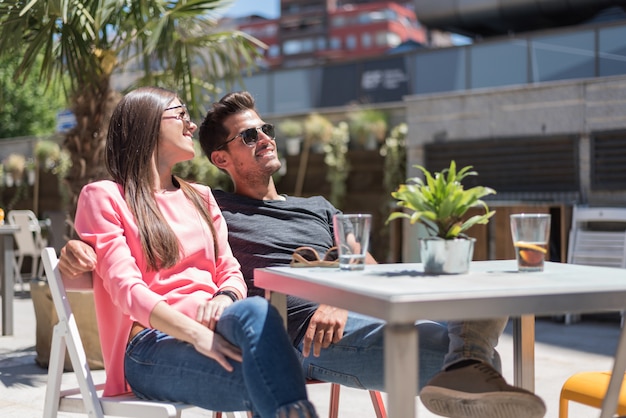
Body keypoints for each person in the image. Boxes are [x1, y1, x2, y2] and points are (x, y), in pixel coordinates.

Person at [61, 91, 546, 418]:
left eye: (265, 128)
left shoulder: (257, 203)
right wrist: (79, 256)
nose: (265, 137)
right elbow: (121, 280)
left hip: (276, 323)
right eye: (249, 136)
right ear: (222, 160)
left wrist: (340, 294)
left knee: (486, 289)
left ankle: (466, 366)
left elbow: (366, 269)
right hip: (243, 336)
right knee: (260, 318)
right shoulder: (197, 200)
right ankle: (465, 370)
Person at [70, 86, 318, 418]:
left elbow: (229, 269)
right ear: (147, 124)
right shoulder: (105, 197)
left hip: (218, 324)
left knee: (256, 313)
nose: (191, 126)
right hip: (151, 346)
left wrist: (225, 298)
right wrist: (197, 335)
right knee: (269, 377)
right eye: (181, 115)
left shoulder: (199, 197)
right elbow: (127, 291)